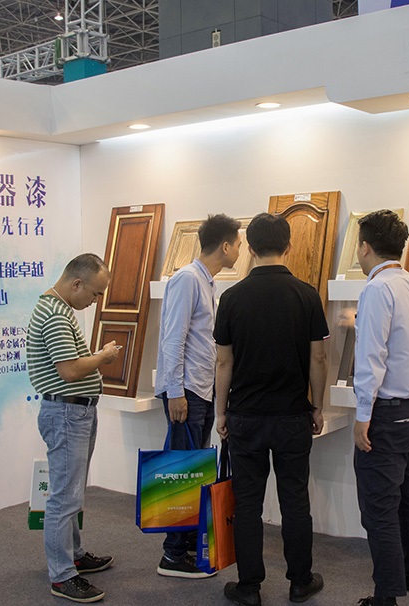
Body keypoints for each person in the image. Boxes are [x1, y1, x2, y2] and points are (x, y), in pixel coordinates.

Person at [214, 212, 328, 606]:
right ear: (289, 246)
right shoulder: (307, 295)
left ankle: (249, 587)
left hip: (245, 416)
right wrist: (317, 406)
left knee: (247, 502)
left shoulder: (231, 298)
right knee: (295, 499)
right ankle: (300, 581)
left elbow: (223, 362)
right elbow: (318, 358)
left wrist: (221, 412)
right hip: (293, 415)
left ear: (249, 247)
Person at [26, 253, 121, 604]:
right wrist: (103, 357)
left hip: (74, 413)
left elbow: (69, 364)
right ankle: (62, 575)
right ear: (77, 283)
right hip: (67, 414)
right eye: (95, 293)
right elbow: (69, 371)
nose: (95, 301)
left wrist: (94, 358)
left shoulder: (59, 309)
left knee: (71, 493)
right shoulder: (55, 314)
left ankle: (74, 555)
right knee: (65, 497)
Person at [154, 213, 242, 578]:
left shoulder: (206, 282)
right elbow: (173, 338)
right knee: (182, 470)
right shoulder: (188, 279)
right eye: (238, 244)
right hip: (186, 390)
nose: (240, 251)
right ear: (225, 246)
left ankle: (187, 540)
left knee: (195, 469)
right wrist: (175, 392)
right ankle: (172, 555)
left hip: (200, 389)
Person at [352, 210, 409, 606]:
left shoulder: (377, 289)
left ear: (366, 247)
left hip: (387, 412)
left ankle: (386, 596)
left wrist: (362, 416)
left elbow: (372, 358)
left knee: (379, 507)